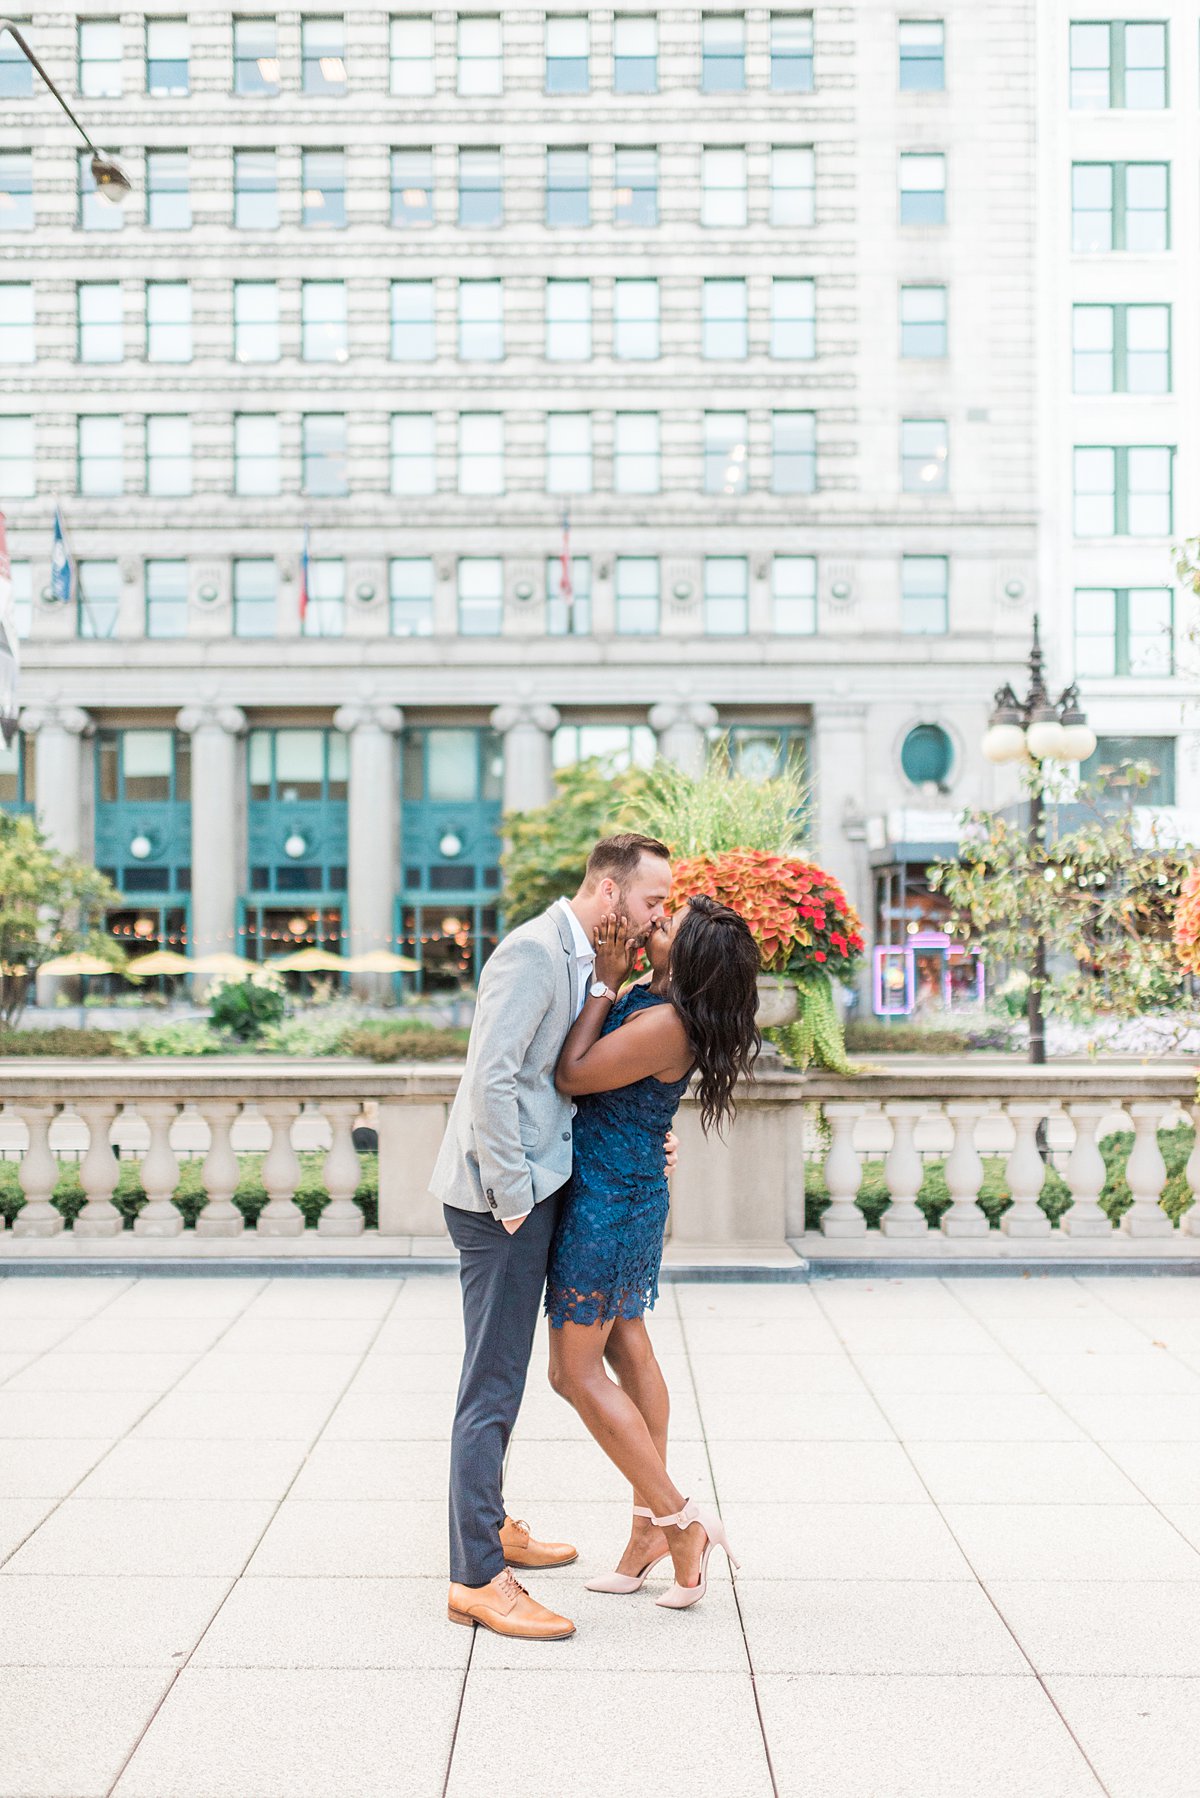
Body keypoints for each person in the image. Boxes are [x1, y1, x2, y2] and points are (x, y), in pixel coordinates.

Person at [432, 832, 676, 1641]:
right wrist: (509, 1197)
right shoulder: (533, 953)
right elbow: (491, 1077)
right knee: (492, 1385)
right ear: (611, 896)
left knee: (501, 1377)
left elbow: (564, 1077)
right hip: (504, 1198)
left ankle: (492, 1525)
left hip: (542, 1188)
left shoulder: (593, 963)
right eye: (652, 903)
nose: (657, 917)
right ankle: (476, 1577)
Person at [545, 895, 761, 1609]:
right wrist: (617, 979)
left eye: (670, 926)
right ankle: (646, 1533)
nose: (655, 921)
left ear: (691, 958)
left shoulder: (667, 1022)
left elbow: (573, 1075)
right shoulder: (653, 997)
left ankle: (679, 1519)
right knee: (626, 1347)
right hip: (620, 1190)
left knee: (572, 1373)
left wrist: (603, 980)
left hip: (611, 1204)